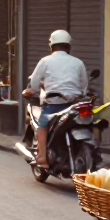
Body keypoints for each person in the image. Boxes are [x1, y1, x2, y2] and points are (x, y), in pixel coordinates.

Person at [22, 30, 88, 168]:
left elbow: (34, 84)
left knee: (43, 125)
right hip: (74, 106)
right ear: (68, 46)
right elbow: (83, 87)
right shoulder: (78, 63)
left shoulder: (45, 61)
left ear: (51, 46)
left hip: (54, 105)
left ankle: (41, 158)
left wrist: (31, 90)